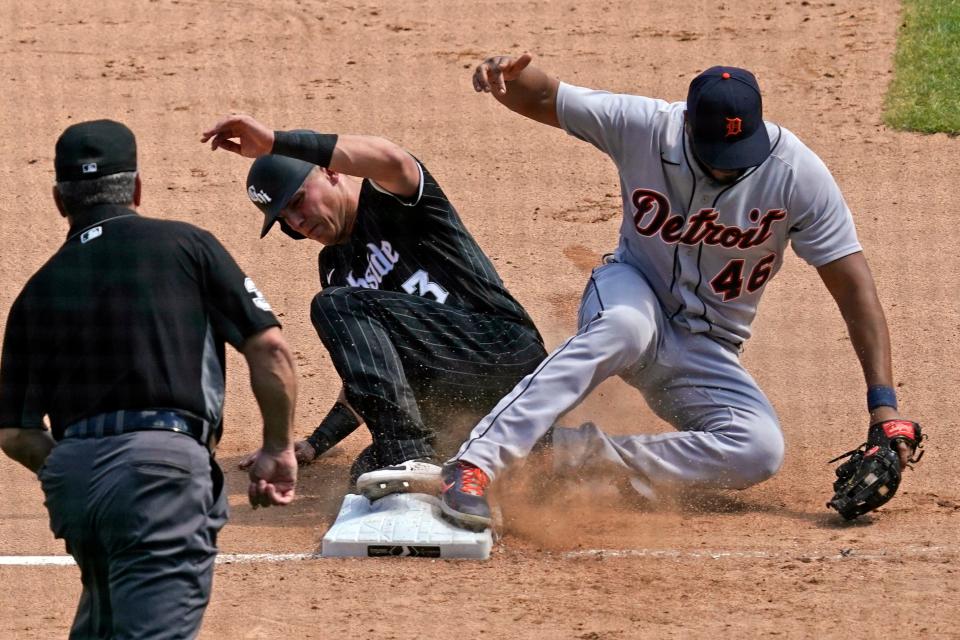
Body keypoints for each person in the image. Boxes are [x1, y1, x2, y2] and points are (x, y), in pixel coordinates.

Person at [439, 54, 921, 530]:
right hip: (632, 294)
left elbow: (855, 287)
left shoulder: (798, 175)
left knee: (757, 450)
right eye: (717, 157)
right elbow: (548, 95)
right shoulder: (645, 126)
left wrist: (884, 407)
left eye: (739, 158)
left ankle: (560, 456)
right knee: (624, 328)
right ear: (687, 124)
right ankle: (475, 464)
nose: (728, 170)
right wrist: (509, 75)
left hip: (705, 347)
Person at [0, 120, 298, 639]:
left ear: (58, 200)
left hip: (73, 483)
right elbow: (269, 348)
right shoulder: (187, 245)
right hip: (161, 473)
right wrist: (278, 446)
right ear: (136, 188)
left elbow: (14, 432)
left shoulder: (36, 290)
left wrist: (80, 468)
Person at [202, 114, 547, 500]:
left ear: (332, 172)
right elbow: (371, 373)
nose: (297, 222)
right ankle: (541, 461)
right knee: (367, 475)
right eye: (284, 219)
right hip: (465, 398)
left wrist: (276, 143)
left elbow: (392, 158)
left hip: (503, 353)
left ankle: (409, 456)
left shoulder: (393, 199)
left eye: (298, 202)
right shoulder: (334, 267)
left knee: (334, 306)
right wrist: (317, 442)